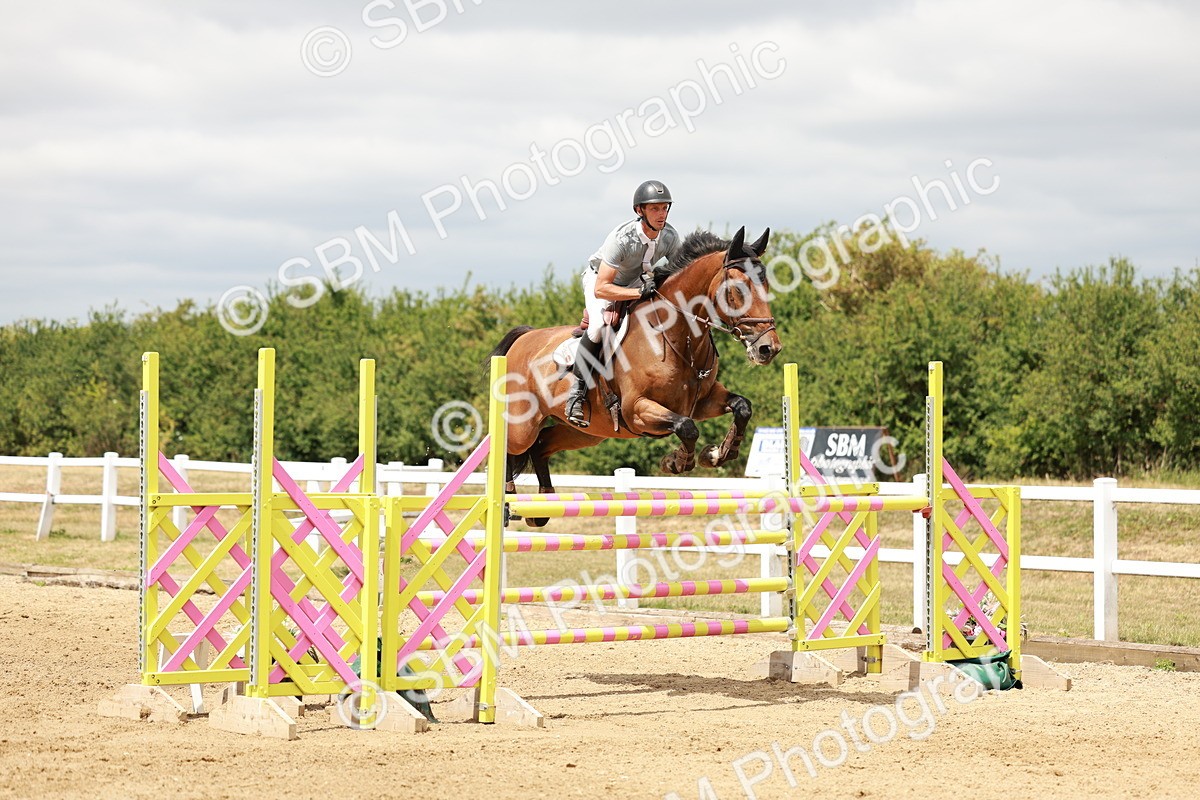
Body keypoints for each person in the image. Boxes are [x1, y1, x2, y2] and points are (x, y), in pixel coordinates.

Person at [566, 180, 681, 427]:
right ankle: (576, 393)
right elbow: (601, 287)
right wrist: (639, 292)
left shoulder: (670, 236)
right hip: (602, 281)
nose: (661, 214)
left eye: (664, 208)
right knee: (597, 327)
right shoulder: (622, 239)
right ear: (640, 210)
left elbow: (678, 274)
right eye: (655, 209)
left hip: (637, 282)